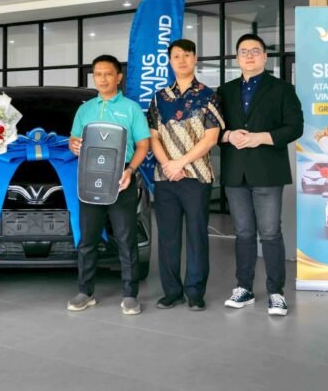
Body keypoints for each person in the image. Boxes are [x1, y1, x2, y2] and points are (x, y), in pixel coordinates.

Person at [217, 34, 303, 316]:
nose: (250, 56)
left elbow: (295, 126)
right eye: (244, 51)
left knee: (270, 233)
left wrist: (261, 137)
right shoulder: (225, 91)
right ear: (237, 58)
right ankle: (244, 288)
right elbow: (211, 129)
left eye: (255, 51)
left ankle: (276, 292)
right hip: (235, 172)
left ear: (265, 57)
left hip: (267, 171)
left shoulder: (282, 89)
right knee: (243, 233)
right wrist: (228, 135)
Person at [66, 55, 151, 315]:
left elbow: (143, 145)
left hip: (121, 180)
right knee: (87, 240)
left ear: (118, 77)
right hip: (90, 178)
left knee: (126, 239)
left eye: (108, 74)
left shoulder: (131, 108)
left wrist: (130, 170)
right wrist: (73, 145)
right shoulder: (85, 109)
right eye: (98, 74)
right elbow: (73, 139)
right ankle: (85, 292)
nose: (102, 79)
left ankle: (130, 294)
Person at [147, 39, 223, 312]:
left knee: (196, 236)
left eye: (187, 55)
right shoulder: (159, 97)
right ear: (170, 61)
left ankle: (195, 292)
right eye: (176, 56)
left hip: (197, 177)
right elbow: (153, 137)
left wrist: (180, 163)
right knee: (168, 237)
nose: (181, 60)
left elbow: (211, 138)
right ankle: (172, 292)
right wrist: (168, 164)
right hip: (165, 176)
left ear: (195, 59)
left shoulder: (208, 95)